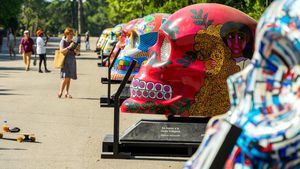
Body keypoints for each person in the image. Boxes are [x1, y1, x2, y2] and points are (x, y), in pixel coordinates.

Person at [57, 27, 78, 98]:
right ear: (66, 34)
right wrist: (69, 47)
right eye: (70, 34)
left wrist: (77, 51)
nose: (72, 35)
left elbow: (76, 53)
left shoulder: (73, 42)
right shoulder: (63, 41)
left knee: (69, 78)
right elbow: (62, 51)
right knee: (65, 77)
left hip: (72, 61)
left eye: (72, 34)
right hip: (65, 61)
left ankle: (66, 92)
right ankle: (60, 91)